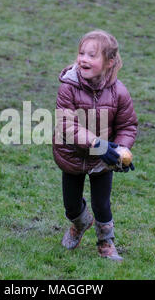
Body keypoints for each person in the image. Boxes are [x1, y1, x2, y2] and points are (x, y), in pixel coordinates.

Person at [52, 30, 138, 261]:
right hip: (72, 155)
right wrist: (97, 144)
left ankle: (106, 242)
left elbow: (128, 125)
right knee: (71, 205)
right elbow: (66, 125)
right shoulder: (68, 87)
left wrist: (120, 150)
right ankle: (80, 224)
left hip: (102, 160)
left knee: (102, 205)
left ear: (109, 63)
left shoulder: (119, 92)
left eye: (92, 55)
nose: (83, 59)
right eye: (81, 53)